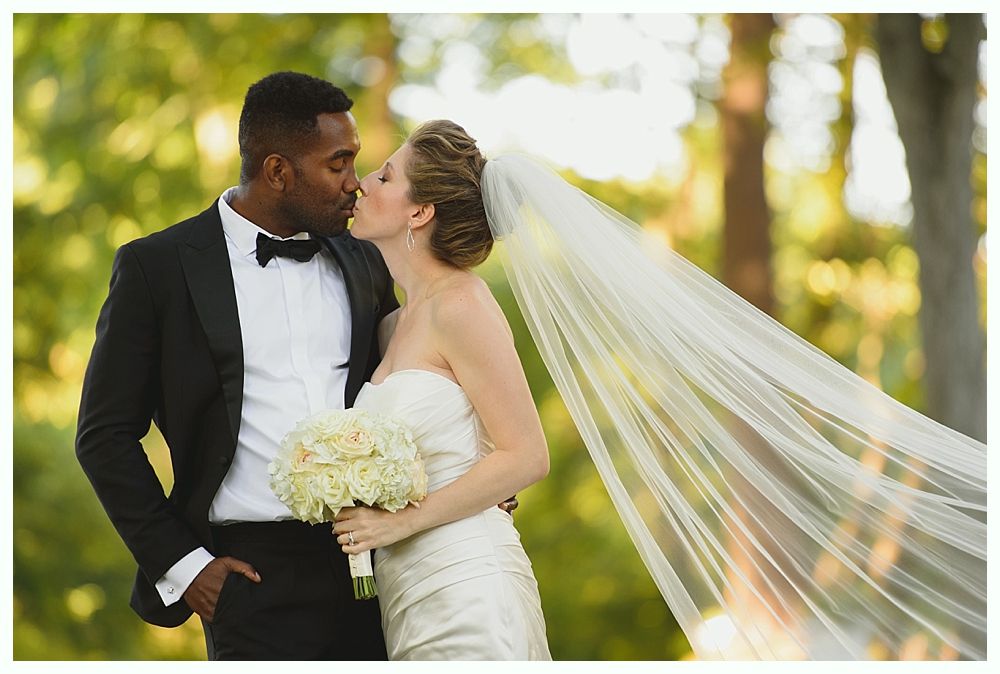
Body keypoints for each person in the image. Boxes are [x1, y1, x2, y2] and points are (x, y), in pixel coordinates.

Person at [336, 120, 986, 661]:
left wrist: (400, 521)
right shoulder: (394, 322)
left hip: (466, 584)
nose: (364, 182)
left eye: (385, 175)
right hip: (405, 589)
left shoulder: (464, 306)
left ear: (419, 210)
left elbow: (527, 455)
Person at [75, 71, 400, 660]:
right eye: (338, 164)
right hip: (251, 580)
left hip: (382, 560)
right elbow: (104, 435)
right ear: (278, 171)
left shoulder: (367, 262)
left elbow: (409, 383)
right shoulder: (158, 268)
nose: (356, 184)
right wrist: (186, 566)